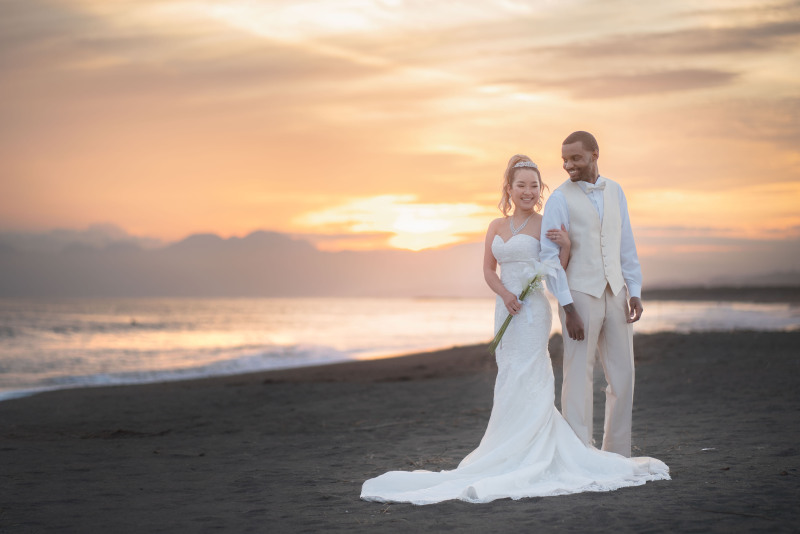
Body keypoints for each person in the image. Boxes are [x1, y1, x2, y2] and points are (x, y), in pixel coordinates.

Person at [360, 154, 669, 505]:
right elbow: (489, 271)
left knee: (531, 370)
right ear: (509, 188)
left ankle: (538, 443)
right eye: (521, 185)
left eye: (534, 186)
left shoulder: (545, 222)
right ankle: (505, 443)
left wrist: (565, 247)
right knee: (508, 374)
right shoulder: (495, 226)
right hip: (505, 307)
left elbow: (554, 270)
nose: (528, 191)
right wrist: (505, 295)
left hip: (534, 309)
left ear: (541, 190)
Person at [540, 130, 641, 457]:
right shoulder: (558, 198)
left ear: (595, 154)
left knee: (624, 376)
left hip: (616, 292)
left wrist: (634, 290)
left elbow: (625, 243)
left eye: (576, 158)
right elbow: (548, 259)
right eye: (564, 160)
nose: (568, 165)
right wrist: (568, 308)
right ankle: (579, 453)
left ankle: (617, 454)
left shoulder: (616, 191)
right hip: (579, 295)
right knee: (578, 378)